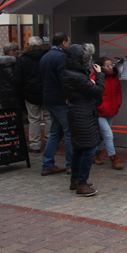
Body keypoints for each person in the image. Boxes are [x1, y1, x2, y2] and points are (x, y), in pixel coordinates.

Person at [61, 43, 104, 196]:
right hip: (83, 114)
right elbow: (98, 91)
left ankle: (75, 180)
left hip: (77, 112)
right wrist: (99, 76)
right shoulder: (77, 76)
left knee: (79, 149)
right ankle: (82, 183)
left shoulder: (70, 73)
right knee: (89, 149)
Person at [39, 33, 73, 176]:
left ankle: (47, 164)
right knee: (70, 132)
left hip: (49, 99)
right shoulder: (61, 57)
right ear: (63, 43)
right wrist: (68, 95)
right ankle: (71, 165)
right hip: (60, 100)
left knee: (55, 133)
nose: (69, 44)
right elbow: (64, 79)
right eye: (68, 42)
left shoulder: (45, 57)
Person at [13, 37, 51, 153]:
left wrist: (22, 91)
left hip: (30, 92)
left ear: (29, 45)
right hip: (47, 91)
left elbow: (17, 79)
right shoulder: (48, 56)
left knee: (34, 119)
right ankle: (50, 142)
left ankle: (35, 144)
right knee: (48, 117)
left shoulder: (23, 59)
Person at [91, 56, 123, 170]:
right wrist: (100, 107)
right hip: (100, 111)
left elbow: (118, 90)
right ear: (101, 67)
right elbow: (93, 94)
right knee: (108, 135)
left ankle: (96, 155)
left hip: (111, 110)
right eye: (107, 66)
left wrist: (118, 104)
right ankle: (114, 159)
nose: (110, 68)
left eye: (111, 65)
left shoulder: (114, 76)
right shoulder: (95, 78)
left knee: (103, 135)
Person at [0, 42, 21, 109]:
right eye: (14, 50)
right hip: (11, 94)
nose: (17, 51)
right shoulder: (7, 64)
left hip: (8, 93)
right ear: (7, 51)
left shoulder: (7, 63)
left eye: (17, 49)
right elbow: (13, 79)